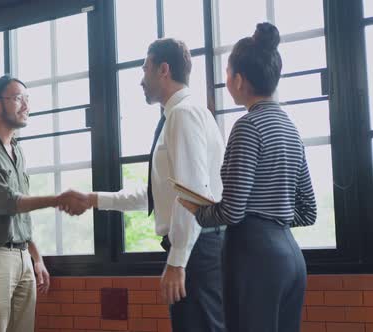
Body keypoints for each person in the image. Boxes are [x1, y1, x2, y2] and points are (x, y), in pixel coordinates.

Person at [69, 38, 227, 331]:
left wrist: (178, 261)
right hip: (196, 245)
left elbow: (193, 194)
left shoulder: (184, 113)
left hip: (197, 249)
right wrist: (92, 199)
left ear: (163, 70)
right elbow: (157, 196)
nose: (141, 80)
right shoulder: (176, 116)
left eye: (145, 69)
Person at [178, 23, 317, 332]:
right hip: (291, 258)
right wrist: (271, 216)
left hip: (255, 259)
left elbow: (232, 211)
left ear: (239, 80)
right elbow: (309, 212)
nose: (226, 80)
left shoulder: (247, 127)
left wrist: (197, 210)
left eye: (227, 73)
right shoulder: (291, 129)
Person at [0, 75, 89, 332]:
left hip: (22, 257)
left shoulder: (17, 150)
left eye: (27, 99)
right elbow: (5, 202)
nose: (26, 105)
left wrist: (36, 257)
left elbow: (20, 214)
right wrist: (56, 200)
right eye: (18, 98)